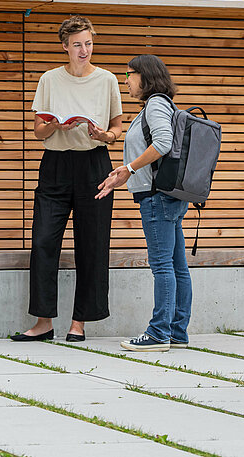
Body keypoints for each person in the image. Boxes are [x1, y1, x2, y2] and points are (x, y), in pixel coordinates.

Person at [12, 15, 125, 342]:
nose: (84, 50)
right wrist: (55, 126)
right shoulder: (49, 79)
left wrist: (103, 134)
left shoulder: (107, 80)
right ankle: (43, 322)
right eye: (77, 44)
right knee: (43, 241)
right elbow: (38, 131)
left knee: (92, 244)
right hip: (56, 166)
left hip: (94, 165)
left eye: (88, 43)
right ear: (65, 46)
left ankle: (79, 322)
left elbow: (117, 129)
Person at [95, 54, 192, 352]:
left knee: (163, 266)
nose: (125, 80)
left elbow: (162, 143)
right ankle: (176, 331)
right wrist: (124, 174)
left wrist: (130, 168)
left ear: (145, 76)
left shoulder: (156, 104)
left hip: (157, 199)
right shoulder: (159, 105)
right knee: (176, 266)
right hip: (166, 197)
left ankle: (159, 333)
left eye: (129, 74)